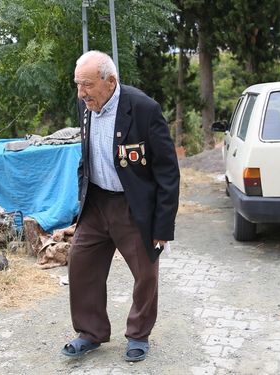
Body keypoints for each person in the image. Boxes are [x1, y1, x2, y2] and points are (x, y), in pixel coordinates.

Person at [61, 50, 180, 362]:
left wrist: (162, 226)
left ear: (110, 81)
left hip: (133, 205)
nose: (80, 92)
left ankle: (138, 334)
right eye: (77, 85)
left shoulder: (143, 108)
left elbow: (168, 171)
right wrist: (80, 195)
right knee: (81, 264)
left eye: (86, 84)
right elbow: (86, 155)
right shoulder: (85, 105)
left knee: (145, 272)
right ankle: (90, 332)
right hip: (97, 202)